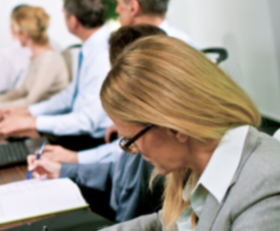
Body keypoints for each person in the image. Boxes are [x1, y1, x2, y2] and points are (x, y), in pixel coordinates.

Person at [25, 36, 280, 231]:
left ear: (175, 126)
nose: (133, 151)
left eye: (131, 139)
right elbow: (167, 225)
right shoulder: (202, 157)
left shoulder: (272, 189)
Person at [27, 24, 167, 223]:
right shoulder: (139, 139)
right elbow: (117, 172)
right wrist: (64, 169)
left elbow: (129, 225)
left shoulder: (149, 148)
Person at [43, 0, 200, 165]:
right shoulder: (173, 42)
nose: (116, 9)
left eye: (119, 4)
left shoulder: (159, 53)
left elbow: (146, 139)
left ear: (133, 7)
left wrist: (76, 158)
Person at [0, 0, 112, 148]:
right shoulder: (91, 48)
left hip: (93, 141)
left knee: (21, 149)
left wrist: (33, 121)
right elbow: (69, 97)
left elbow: (87, 121)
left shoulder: (102, 55)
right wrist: (28, 112)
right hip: (80, 133)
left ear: (73, 21)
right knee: (17, 141)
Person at [0, 5, 69, 113]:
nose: (12, 33)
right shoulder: (36, 57)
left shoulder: (49, 59)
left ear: (24, 34)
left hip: (46, 119)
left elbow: (30, 101)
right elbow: (20, 91)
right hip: (36, 115)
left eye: (14, 29)